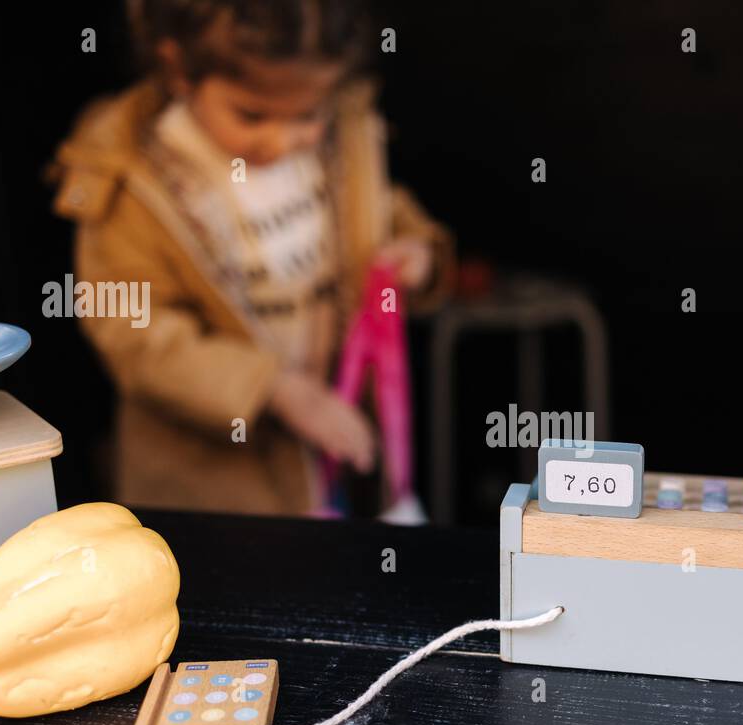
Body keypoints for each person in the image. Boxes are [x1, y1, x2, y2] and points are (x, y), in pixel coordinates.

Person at [49, 0, 454, 516]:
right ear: (178, 68)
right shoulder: (131, 177)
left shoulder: (344, 140)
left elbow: (382, 214)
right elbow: (135, 333)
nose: (281, 141)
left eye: (308, 115)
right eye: (252, 115)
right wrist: (273, 389)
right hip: (217, 491)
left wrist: (416, 254)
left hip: (336, 460)